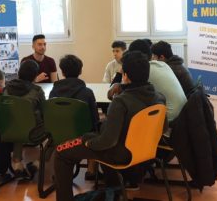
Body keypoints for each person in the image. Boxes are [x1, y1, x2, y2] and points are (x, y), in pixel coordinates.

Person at [54, 51, 166, 201]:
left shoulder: (121, 102)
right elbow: (163, 128)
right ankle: (113, 192)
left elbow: (108, 141)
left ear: (125, 75)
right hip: (144, 151)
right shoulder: (159, 97)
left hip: (119, 152)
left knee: (61, 152)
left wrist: (89, 142)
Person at [109, 39, 187, 123]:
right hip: (182, 115)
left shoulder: (143, 70)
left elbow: (120, 93)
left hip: (169, 121)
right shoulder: (163, 64)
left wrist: (120, 74)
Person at [49, 54, 100, 180]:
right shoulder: (87, 92)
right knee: (95, 131)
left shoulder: (53, 92)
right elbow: (95, 119)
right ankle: (91, 169)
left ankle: (59, 170)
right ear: (80, 71)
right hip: (82, 136)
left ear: (62, 71)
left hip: (59, 134)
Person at [3, 60, 46, 179]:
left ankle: (17, 163)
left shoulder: (6, 89)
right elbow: (45, 112)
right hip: (33, 134)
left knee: (18, 122)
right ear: (34, 76)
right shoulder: (37, 91)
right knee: (54, 130)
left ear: (19, 72)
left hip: (8, 130)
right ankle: (37, 163)